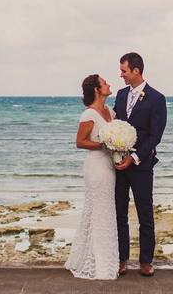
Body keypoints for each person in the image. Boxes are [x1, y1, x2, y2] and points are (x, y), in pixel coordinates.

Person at [113, 52, 167, 277]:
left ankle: (146, 261)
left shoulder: (157, 98)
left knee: (145, 213)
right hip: (119, 164)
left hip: (141, 165)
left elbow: (155, 136)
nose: (121, 74)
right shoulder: (120, 94)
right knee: (119, 213)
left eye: (124, 70)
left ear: (136, 70)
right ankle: (121, 259)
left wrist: (134, 158)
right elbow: (116, 125)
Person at [64, 74, 119, 280]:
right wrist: (103, 145)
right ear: (97, 90)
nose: (109, 84)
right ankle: (99, 263)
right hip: (96, 167)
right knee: (99, 211)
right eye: (105, 83)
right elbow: (80, 142)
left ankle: (104, 258)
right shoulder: (89, 114)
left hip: (109, 166)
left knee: (106, 212)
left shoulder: (110, 111)